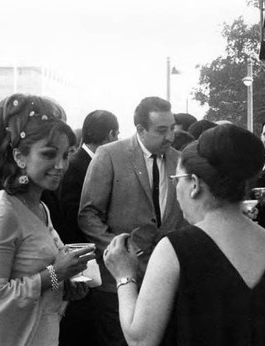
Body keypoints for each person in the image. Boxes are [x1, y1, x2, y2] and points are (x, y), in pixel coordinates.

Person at [104, 124, 265, 345]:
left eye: (177, 179)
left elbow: (140, 340)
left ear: (194, 184)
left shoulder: (175, 250)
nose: (176, 190)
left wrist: (124, 275)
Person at [0, 93, 95, 346]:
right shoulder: (3, 213)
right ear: (19, 157)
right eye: (49, 154)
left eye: (66, 155)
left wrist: (65, 286)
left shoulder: (40, 207)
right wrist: (56, 274)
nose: (61, 166)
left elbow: (36, 277)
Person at [79, 96, 186, 346]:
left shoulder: (180, 160)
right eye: (162, 130)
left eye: (172, 128)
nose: (170, 136)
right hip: (118, 281)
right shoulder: (109, 155)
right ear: (140, 129)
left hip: (164, 279)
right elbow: (88, 214)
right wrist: (121, 251)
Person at [58, 109, 119, 346]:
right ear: (112, 134)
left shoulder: (81, 163)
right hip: (82, 264)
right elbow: (74, 218)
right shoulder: (77, 167)